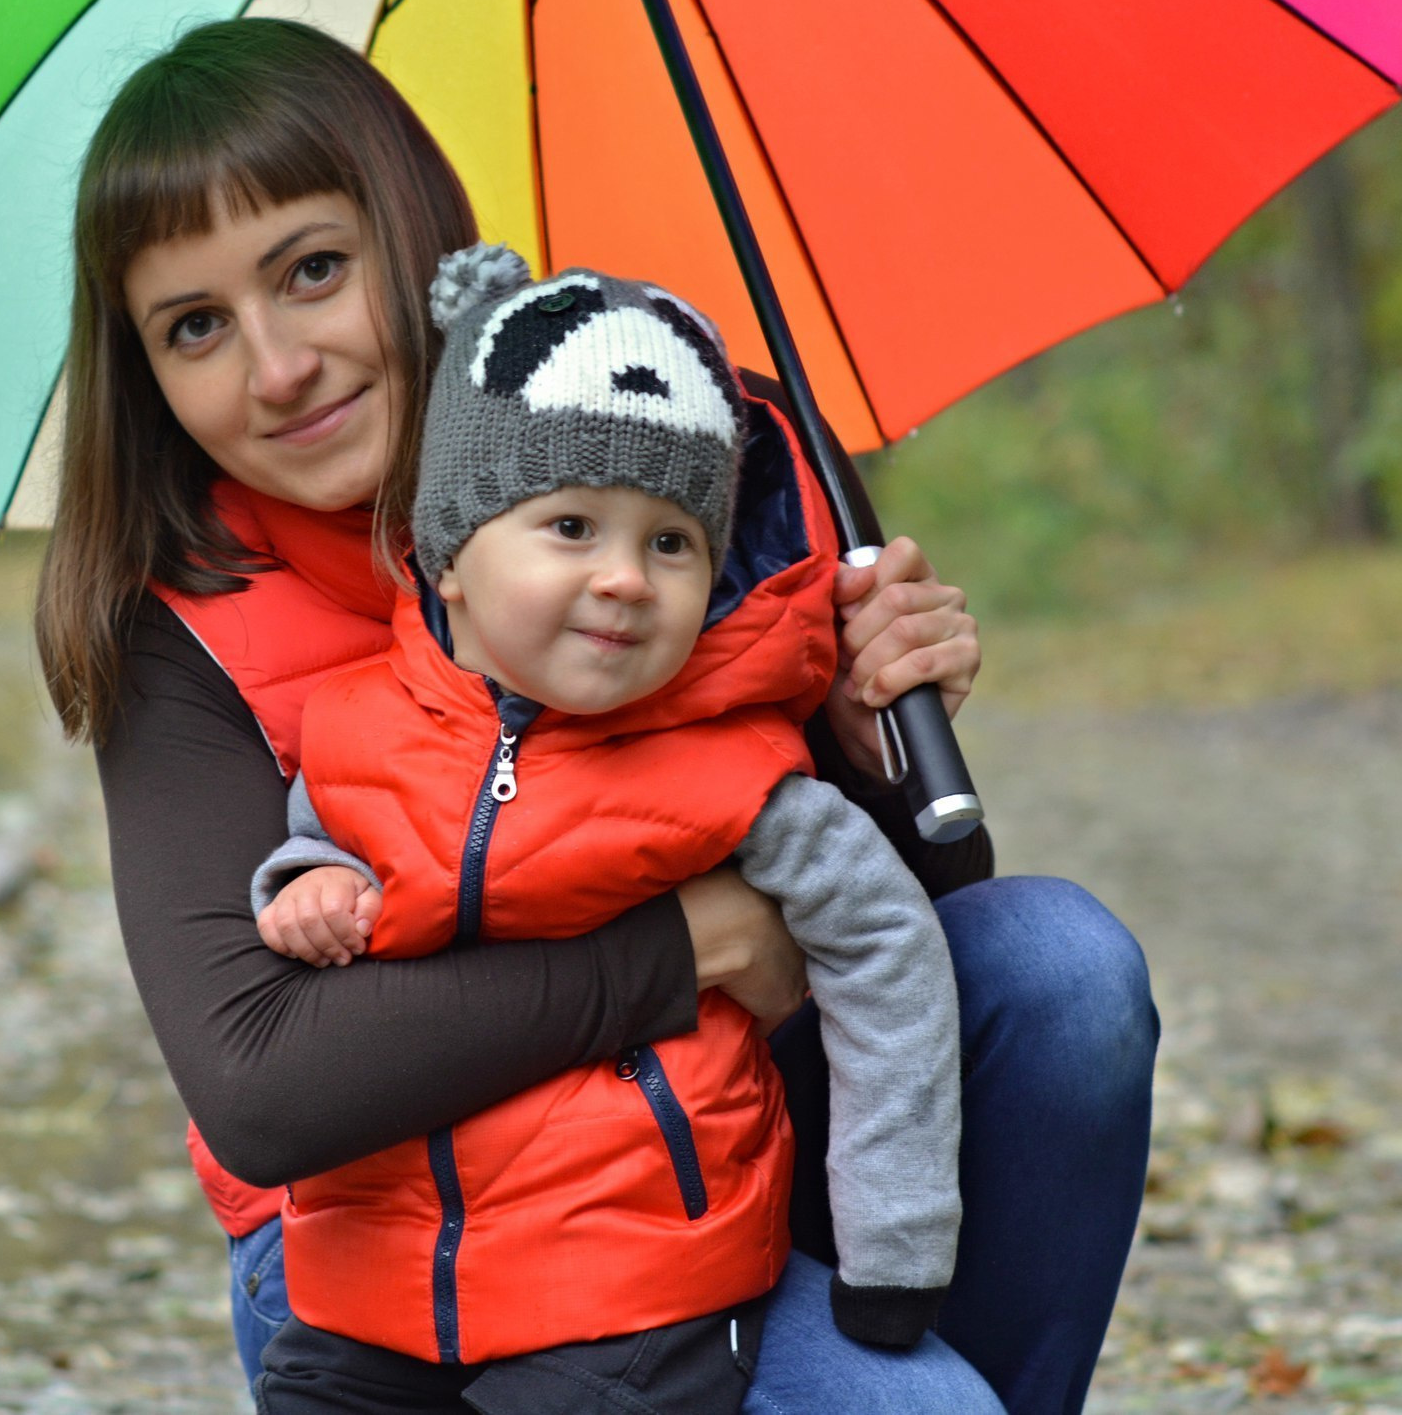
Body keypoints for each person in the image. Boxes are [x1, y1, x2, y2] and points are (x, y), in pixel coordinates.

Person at [35, 17, 1156, 1415]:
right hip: (401, 1259)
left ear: (416, 241)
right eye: (195, 326)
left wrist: (870, 739)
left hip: (716, 1133)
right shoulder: (187, 623)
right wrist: (677, 949)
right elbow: (264, 1088)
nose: (276, 367)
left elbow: (871, 913)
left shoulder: (676, 459)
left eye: (312, 272)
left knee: (1058, 967)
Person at [243, 249, 963, 1413]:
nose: (626, 578)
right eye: (571, 525)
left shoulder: (738, 772)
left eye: (670, 542)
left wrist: (896, 1236)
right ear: (449, 558)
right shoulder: (359, 728)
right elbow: (316, 840)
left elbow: (886, 949)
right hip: (375, 1282)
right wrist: (308, 887)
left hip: (635, 1281)